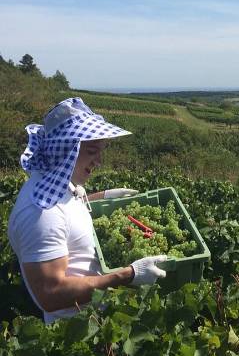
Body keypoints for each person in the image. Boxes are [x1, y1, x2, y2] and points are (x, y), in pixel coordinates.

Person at [8, 97, 168, 324]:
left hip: (98, 317)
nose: (99, 161)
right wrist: (127, 275)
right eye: (92, 150)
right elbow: (51, 294)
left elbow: (66, 216)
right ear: (67, 150)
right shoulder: (41, 214)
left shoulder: (53, 185)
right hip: (79, 332)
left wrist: (102, 197)